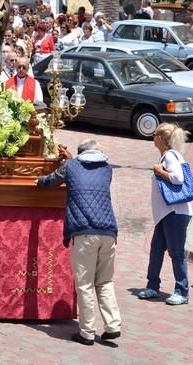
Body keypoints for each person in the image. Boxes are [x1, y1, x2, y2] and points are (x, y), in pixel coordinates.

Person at [36, 139, 122, 346]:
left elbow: (51, 181)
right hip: (108, 230)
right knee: (105, 281)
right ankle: (113, 325)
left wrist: (39, 180)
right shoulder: (107, 169)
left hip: (84, 231)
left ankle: (87, 331)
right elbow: (87, 175)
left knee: (84, 284)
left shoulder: (71, 166)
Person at [137, 123, 193, 305]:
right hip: (165, 214)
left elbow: (178, 179)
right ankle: (153, 285)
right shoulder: (168, 156)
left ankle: (182, 291)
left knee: (176, 252)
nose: (153, 138)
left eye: (154, 135)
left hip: (175, 212)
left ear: (160, 138)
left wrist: (160, 171)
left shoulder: (169, 157)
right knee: (156, 249)